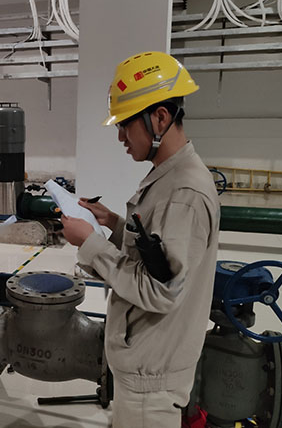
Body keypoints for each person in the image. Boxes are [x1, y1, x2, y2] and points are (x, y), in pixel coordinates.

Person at [61, 52, 220, 428]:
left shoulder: (183, 192)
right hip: (148, 365)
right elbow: (157, 257)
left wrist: (90, 244)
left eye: (125, 125)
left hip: (152, 381)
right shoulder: (170, 176)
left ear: (160, 118)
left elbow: (160, 291)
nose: (120, 137)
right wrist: (114, 224)